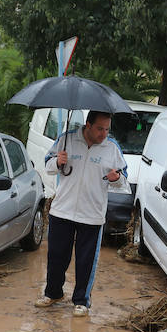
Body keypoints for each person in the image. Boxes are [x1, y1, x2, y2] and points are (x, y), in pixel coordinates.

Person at [34, 111, 127, 317]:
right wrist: (57, 162)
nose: (104, 134)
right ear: (88, 125)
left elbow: (123, 179)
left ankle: (81, 301)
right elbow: (48, 166)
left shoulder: (112, 148)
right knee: (56, 257)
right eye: (100, 129)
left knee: (85, 261)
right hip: (62, 210)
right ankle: (53, 293)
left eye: (107, 129)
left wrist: (115, 178)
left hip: (91, 215)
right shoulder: (66, 139)